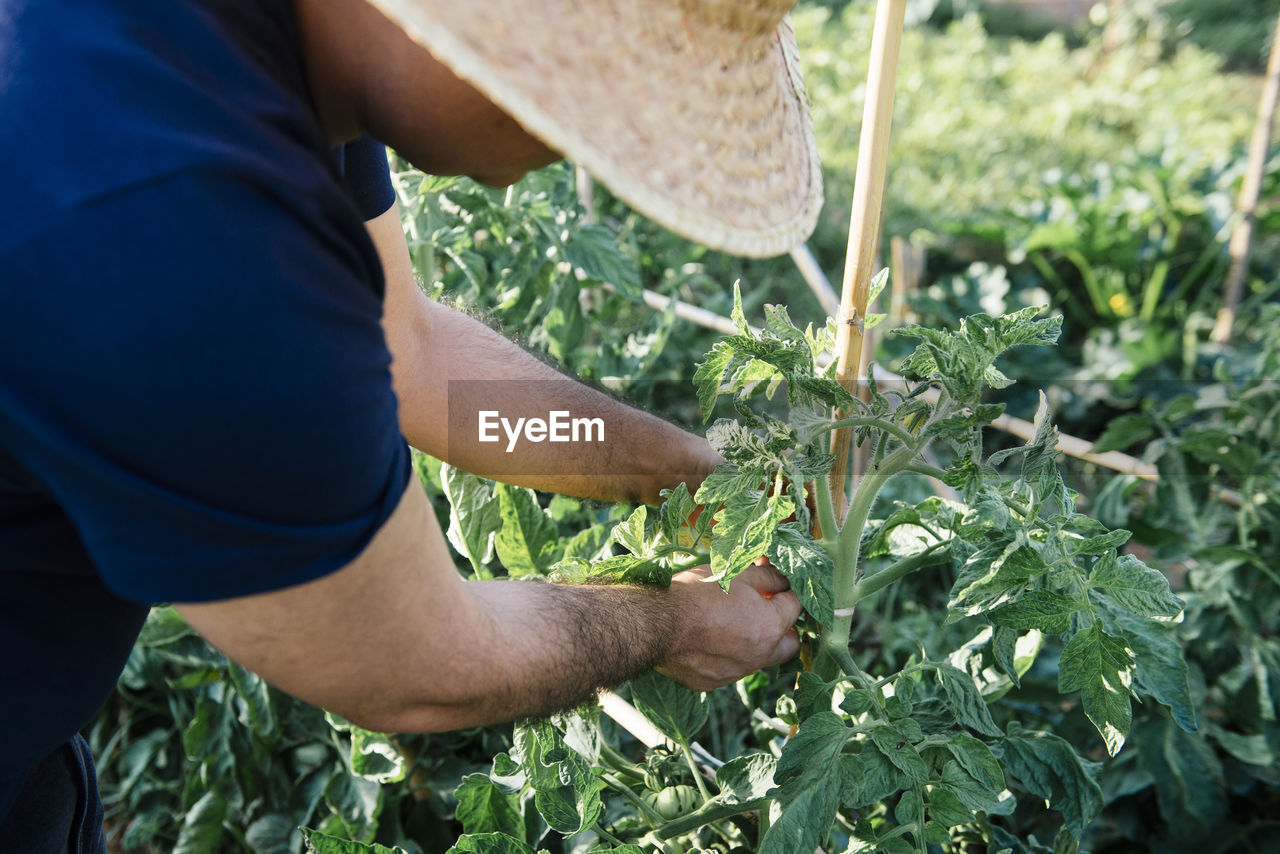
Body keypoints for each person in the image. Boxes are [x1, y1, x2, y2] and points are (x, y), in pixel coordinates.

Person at [0, 0, 824, 848]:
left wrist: (676, 469)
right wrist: (674, 622)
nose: (580, 147)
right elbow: (411, 662)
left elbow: (416, 358)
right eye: (580, 92)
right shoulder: (178, 227)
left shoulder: (268, 43)